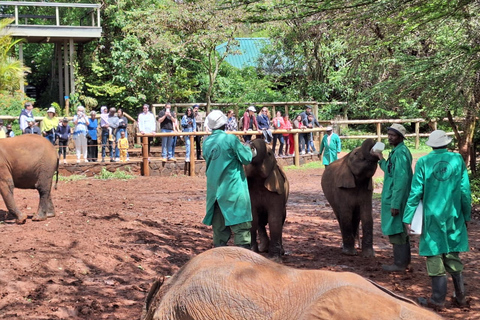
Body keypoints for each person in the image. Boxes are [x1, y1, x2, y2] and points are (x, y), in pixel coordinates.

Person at [403, 130, 471, 310]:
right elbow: (465, 190)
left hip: (432, 216)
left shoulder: (424, 162)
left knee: (434, 253)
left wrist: (407, 216)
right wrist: (467, 214)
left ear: (431, 144)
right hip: (454, 214)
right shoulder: (457, 160)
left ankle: (438, 299)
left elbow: (416, 192)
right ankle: (460, 297)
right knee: (452, 251)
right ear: (446, 143)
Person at [202, 110, 255, 248]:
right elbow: (247, 158)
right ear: (225, 124)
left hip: (215, 193)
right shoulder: (231, 139)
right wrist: (248, 148)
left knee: (219, 234)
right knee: (242, 231)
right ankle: (242, 265)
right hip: (233, 190)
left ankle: (220, 265)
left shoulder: (206, 142)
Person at [372, 124, 412, 272]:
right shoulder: (396, 152)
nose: (389, 137)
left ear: (401, 137)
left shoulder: (401, 154)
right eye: (388, 134)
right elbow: (390, 171)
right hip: (394, 196)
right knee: (400, 229)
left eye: (393, 135)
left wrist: (395, 203)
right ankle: (404, 262)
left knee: (397, 230)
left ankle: (400, 264)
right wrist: (380, 158)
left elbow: (401, 180)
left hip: (397, 198)